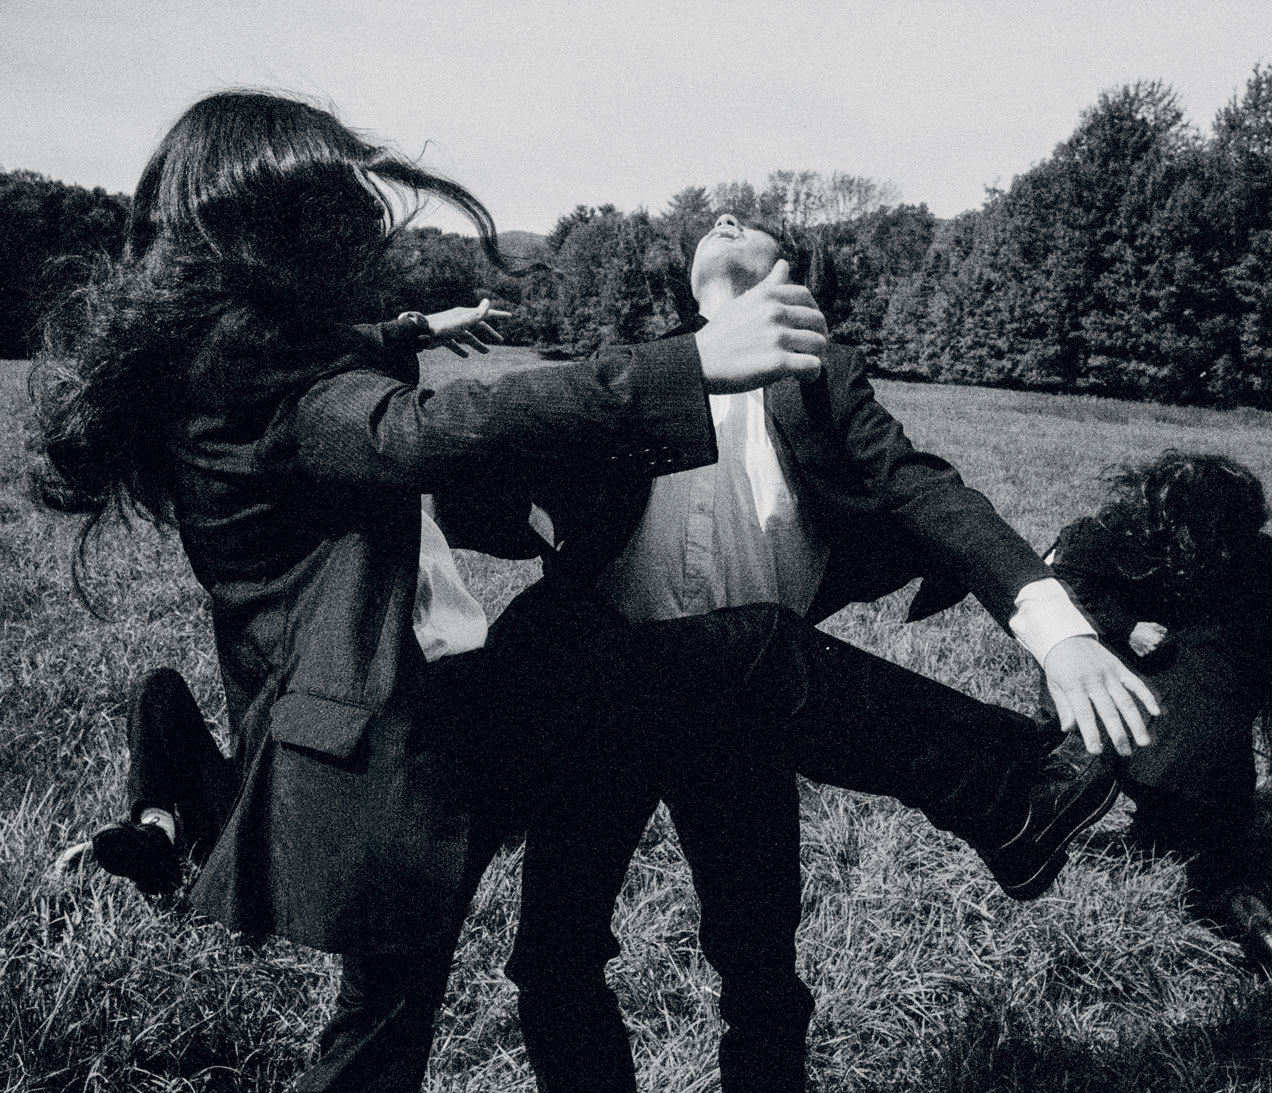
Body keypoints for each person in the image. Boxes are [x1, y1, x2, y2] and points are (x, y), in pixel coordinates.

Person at [35, 90, 1122, 1093]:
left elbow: (929, 493)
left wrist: (414, 332)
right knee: (556, 925)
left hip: (517, 726)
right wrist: (685, 369)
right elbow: (418, 435)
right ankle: (1011, 796)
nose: (362, 232)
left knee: (421, 1018)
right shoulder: (272, 378)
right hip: (476, 715)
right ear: (265, 227)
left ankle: (1011, 800)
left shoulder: (224, 357)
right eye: (333, 209)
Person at [434, 213, 1162, 1089]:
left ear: (794, 274)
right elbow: (489, 492)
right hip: (609, 684)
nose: (724, 217)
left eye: (752, 223)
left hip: (744, 707)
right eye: (714, 220)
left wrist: (1062, 633)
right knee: (555, 959)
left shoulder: (823, 380)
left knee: (760, 971)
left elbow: (927, 491)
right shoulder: (636, 368)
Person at [1045, 451, 1272, 985]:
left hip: (1155, 736)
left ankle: (1227, 894)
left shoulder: (1258, 567)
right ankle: (1246, 911)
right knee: (1216, 862)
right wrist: (1124, 626)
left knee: (1195, 819)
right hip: (1160, 736)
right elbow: (1058, 589)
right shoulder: (1120, 539)